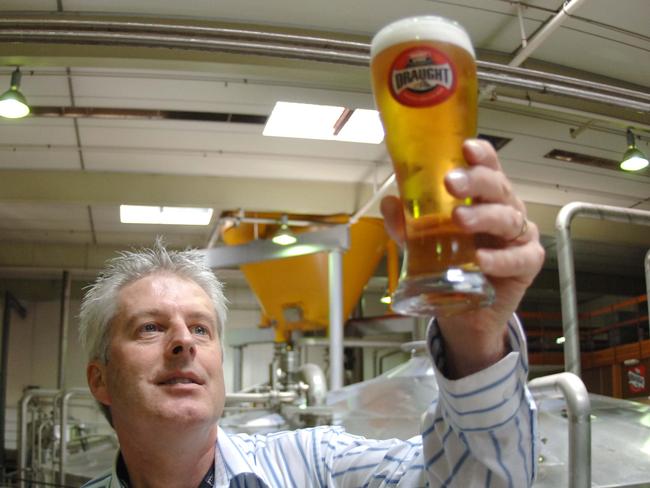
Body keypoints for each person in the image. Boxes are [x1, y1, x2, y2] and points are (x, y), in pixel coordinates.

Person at [79, 139, 544, 488]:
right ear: (100, 380)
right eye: (150, 328)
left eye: (201, 328)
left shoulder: (315, 467)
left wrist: (476, 341)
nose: (184, 342)